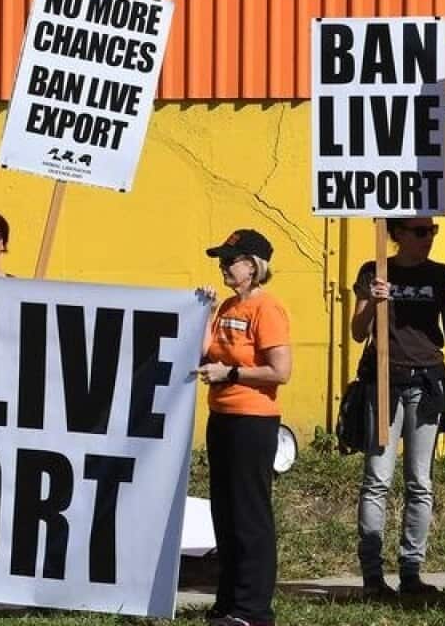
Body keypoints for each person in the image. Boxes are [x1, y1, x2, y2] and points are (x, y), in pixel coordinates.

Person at [350, 217, 445, 597]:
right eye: (419, 231)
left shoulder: (441, 274)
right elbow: (357, 330)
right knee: (377, 479)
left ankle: (411, 572)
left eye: (431, 230)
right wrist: (375, 303)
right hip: (384, 380)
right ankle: (372, 575)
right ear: (397, 234)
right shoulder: (374, 270)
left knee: (420, 481)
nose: (428, 238)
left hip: (426, 380)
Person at [195, 228, 293, 626]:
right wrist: (204, 310)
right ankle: (229, 601)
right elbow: (203, 352)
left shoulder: (266, 309)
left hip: (253, 421)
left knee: (249, 512)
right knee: (226, 511)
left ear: (253, 266)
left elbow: (280, 371)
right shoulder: (228, 308)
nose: (223, 266)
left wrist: (231, 372)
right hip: (222, 417)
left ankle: (253, 609)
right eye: (221, 259)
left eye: (230, 260)